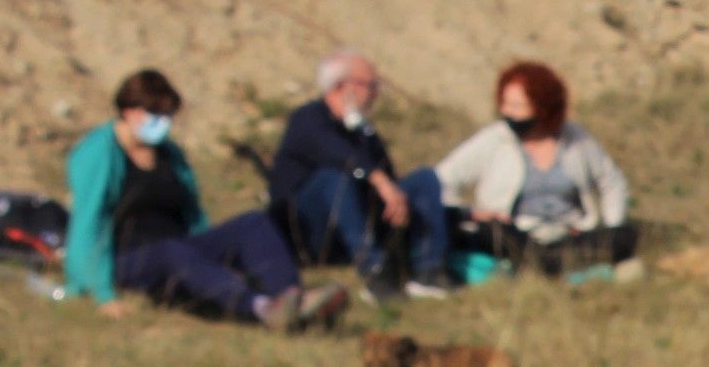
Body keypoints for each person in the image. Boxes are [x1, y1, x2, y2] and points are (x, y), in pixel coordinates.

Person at [63, 68, 343, 329]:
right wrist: (102, 293)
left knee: (254, 223)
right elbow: (88, 224)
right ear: (130, 111)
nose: (164, 123)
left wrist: (210, 259)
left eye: (168, 116)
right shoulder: (98, 153)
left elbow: (192, 213)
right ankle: (261, 308)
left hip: (179, 248)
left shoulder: (169, 154)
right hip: (126, 260)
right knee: (171, 250)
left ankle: (294, 298)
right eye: (156, 115)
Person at [268, 51, 452, 299]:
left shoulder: (361, 128)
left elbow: (386, 172)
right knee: (334, 179)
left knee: (424, 179)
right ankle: (375, 271)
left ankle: (428, 269)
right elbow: (340, 156)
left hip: (360, 220)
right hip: (310, 228)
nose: (376, 94)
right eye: (371, 86)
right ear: (344, 86)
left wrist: (391, 189)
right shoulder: (307, 119)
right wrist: (377, 179)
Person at [435, 62, 636, 278]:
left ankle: (541, 266)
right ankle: (552, 265)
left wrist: (612, 223)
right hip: (514, 235)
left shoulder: (576, 140)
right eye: (504, 104)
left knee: (625, 235)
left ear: (542, 107)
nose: (506, 111)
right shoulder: (494, 140)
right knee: (490, 233)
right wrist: (470, 212)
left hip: (569, 234)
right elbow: (440, 180)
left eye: (517, 106)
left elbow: (612, 182)